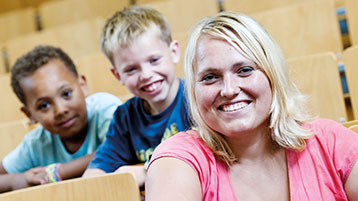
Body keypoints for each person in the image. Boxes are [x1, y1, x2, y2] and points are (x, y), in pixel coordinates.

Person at [145, 11, 358, 201]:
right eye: (210, 77)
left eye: (245, 70)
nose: (228, 90)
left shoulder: (330, 142)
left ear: (272, 75)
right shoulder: (180, 157)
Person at [82, 5, 192, 187]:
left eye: (154, 60)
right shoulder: (125, 117)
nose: (146, 75)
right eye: (131, 69)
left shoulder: (197, 99)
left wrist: (145, 170)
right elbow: (96, 173)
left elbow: (209, 158)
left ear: (173, 52)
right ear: (118, 75)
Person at [0, 45, 121, 193]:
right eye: (44, 105)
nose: (60, 110)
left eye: (66, 94)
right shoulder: (36, 143)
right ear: (29, 114)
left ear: (82, 85)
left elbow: (119, 149)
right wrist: (17, 180)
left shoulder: (104, 108)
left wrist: (56, 173)